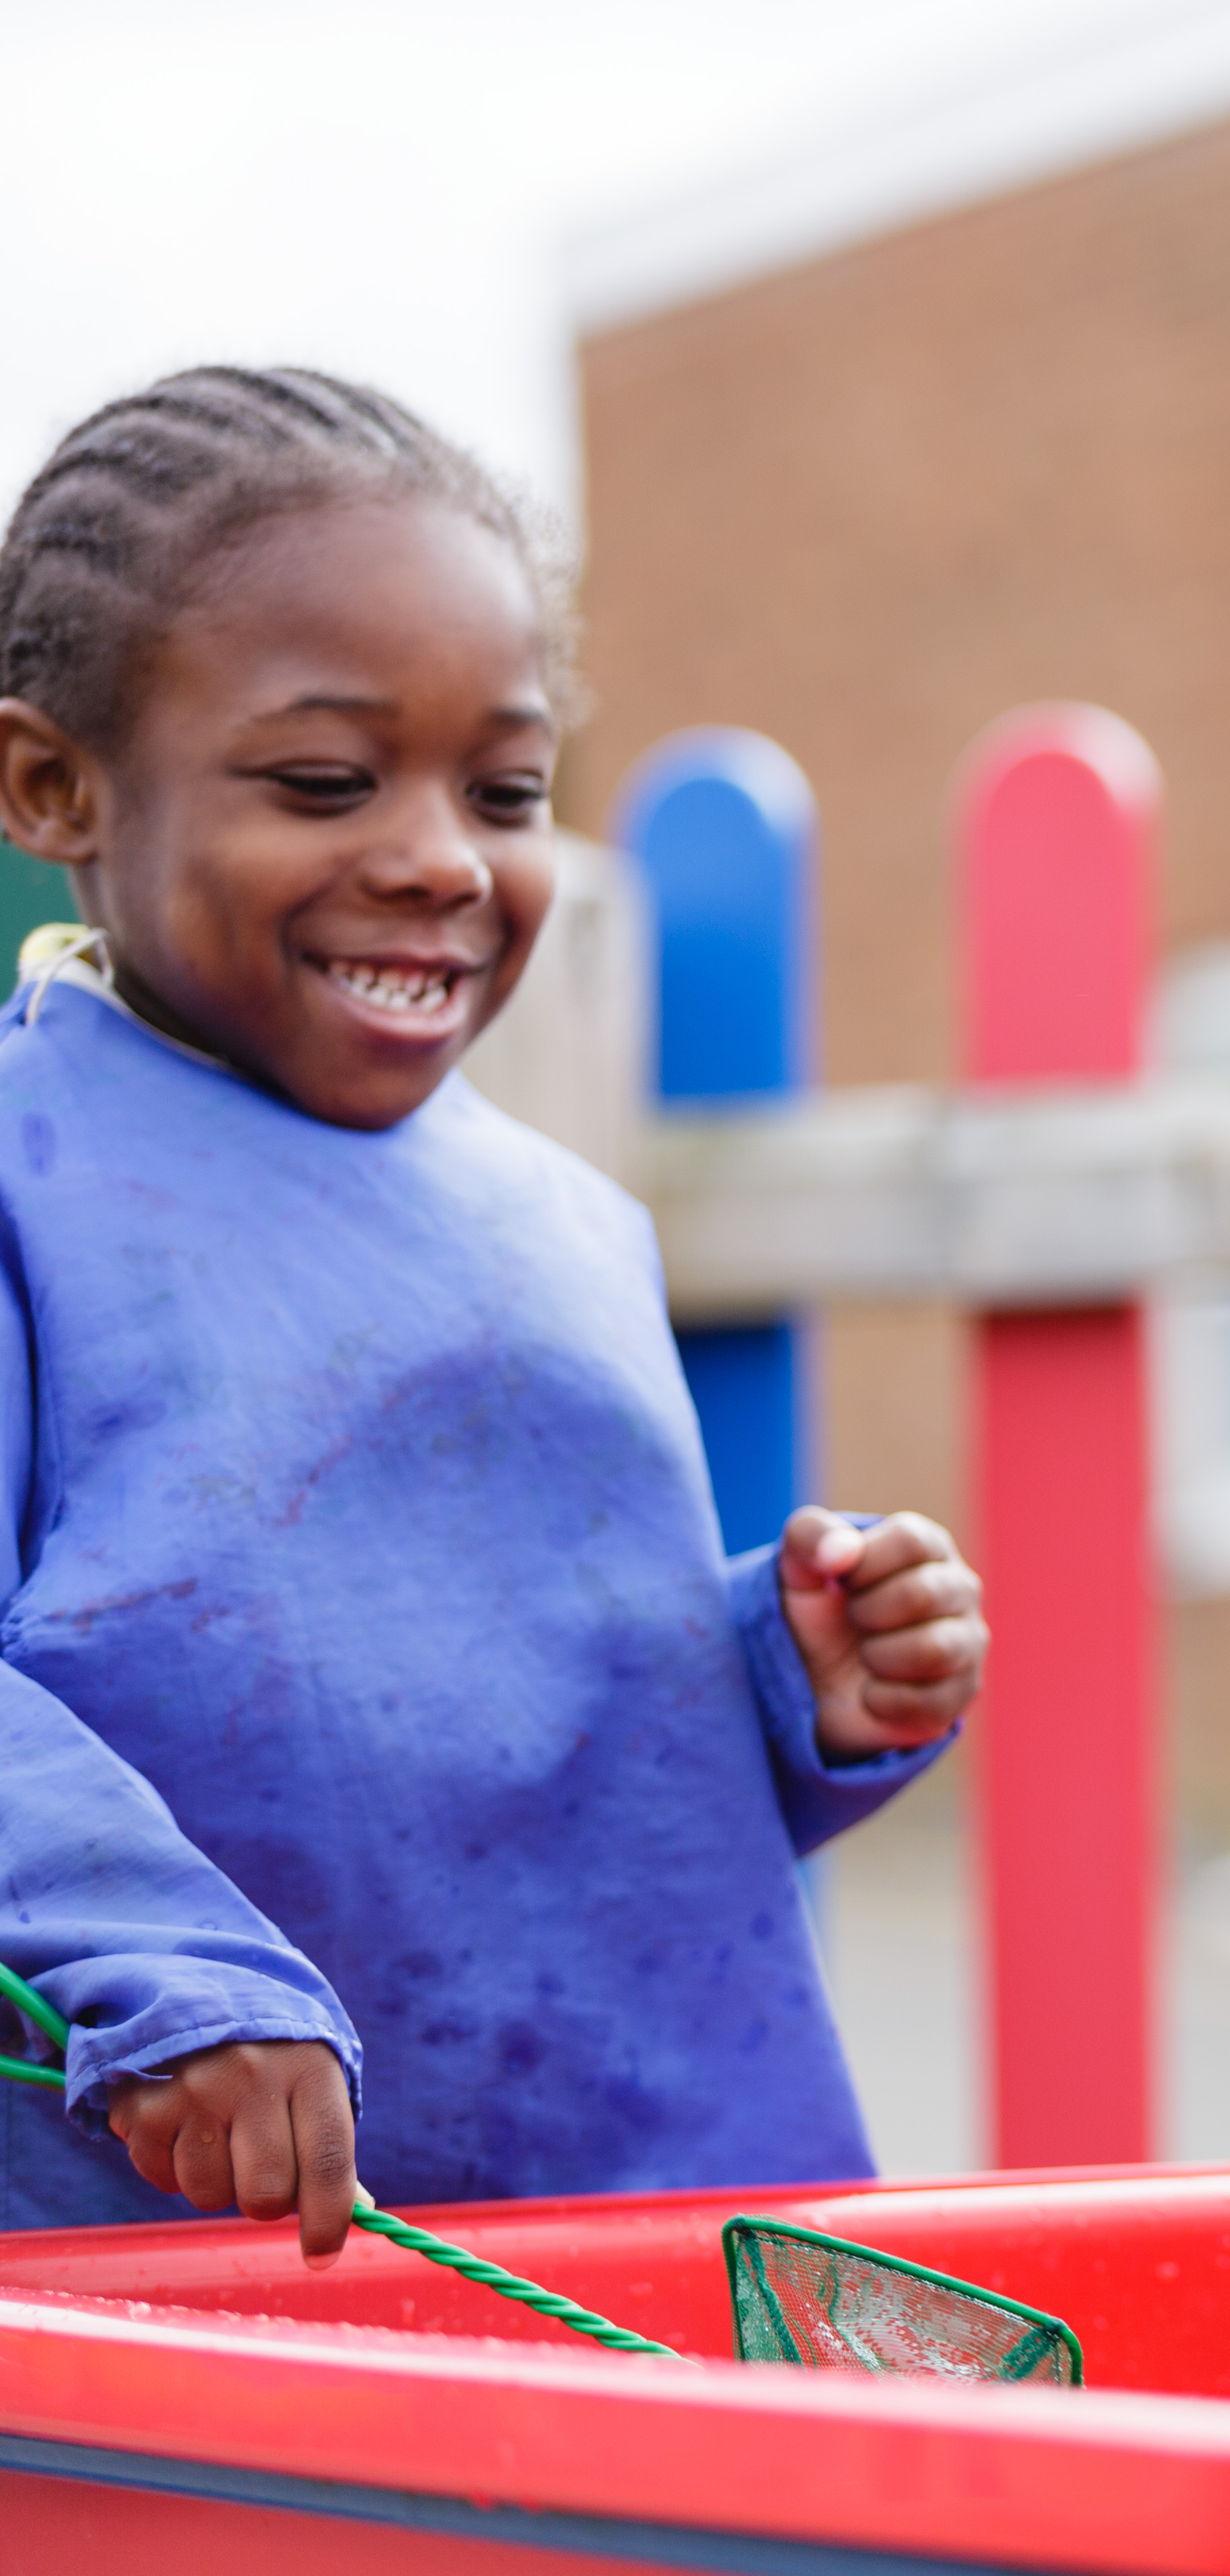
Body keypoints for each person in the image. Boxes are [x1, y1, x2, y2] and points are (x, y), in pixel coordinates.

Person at [0, 368, 986, 2261]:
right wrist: (159, 1966)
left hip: (650, 2238)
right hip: (191, 2287)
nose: (445, 857)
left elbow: (519, 1759)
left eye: (507, 789)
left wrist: (780, 1688)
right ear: (56, 785)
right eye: (325, 782)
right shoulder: (29, 1196)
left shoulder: (570, 1224)